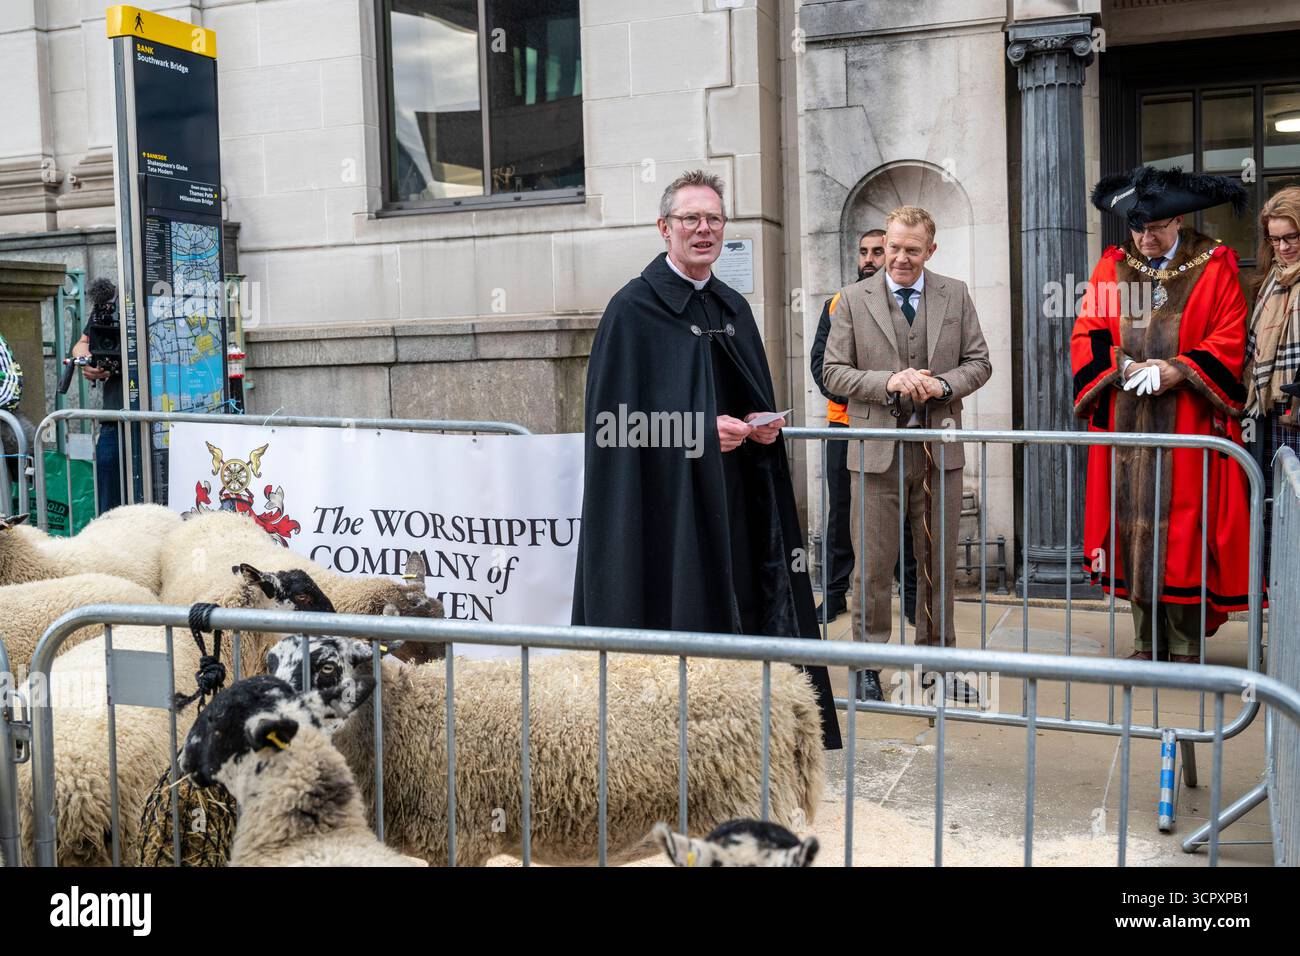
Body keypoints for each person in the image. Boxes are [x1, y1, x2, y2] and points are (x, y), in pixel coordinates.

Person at [572, 169, 842, 750]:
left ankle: (738, 737)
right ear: (664, 228)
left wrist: (765, 427)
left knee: (742, 606)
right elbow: (609, 427)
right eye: (691, 219)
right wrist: (694, 431)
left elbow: (746, 392)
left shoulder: (732, 306)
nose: (703, 229)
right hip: (666, 512)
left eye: (713, 219)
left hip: (737, 499)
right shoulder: (632, 310)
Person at [1073, 166, 1252, 663]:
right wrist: (1121, 364)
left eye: (1155, 227)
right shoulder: (1113, 265)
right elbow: (1088, 330)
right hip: (1127, 420)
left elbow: (1231, 336)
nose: (1146, 237)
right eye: (1137, 227)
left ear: (1177, 222)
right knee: (1130, 524)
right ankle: (1145, 641)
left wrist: (1179, 369)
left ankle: (1185, 642)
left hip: (1189, 420)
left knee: (1185, 526)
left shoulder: (1214, 265)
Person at [823, 206, 992, 702]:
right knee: (872, 567)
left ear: (929, 251)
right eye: (893, 247)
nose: (899, 257)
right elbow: (833, 372)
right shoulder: (852, 300)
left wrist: (941, 384)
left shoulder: (954, 293)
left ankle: (938, 665)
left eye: (911, 250)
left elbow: (979, 363)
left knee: (937, 567)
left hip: (938, 453)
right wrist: (888, 382)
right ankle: (868, 666)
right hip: (875, 455)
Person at [809, 229, 917, 625]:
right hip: (846, 426)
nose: (870, 258)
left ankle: (909, 598)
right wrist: (865, 398)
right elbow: (822, 367)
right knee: (842, 516)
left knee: (906, 516)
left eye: (878, 250)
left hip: (899, 429)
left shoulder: (908, 303)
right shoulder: (839, 303)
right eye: (864, 252)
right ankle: (836, 596)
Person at [1244, 186, 1300, 573]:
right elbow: (1252, 351)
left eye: (1291, 237)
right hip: (1274, 413)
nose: (1282, 247)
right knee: (1278, 522)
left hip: (1297, 412)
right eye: (1275, 238)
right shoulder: (1271, 283)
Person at [72, 278, 124, 515]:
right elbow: (82, 344)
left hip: (161, 420)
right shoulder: (109, 302)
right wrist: (87, 361)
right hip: (113, 419)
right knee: (109, 509)